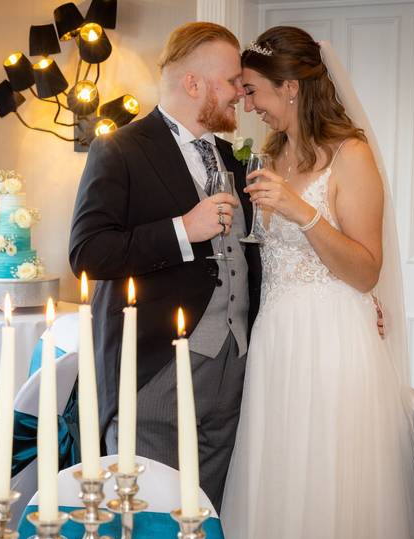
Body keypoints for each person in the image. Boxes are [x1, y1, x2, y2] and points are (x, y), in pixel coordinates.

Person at [218, 26, 414, 539]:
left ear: (291, 88)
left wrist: (303, 211)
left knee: (329, 490)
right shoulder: (269, 154)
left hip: (333, 343)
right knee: (278, 480)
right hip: (277, 341)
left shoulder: (352, 155)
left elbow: (366, 267)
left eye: (254, 89)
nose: (246, 101)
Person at [68, 22, 261, 509]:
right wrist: (182, 229)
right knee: (150, 524)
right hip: (154, 370)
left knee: (208, 521)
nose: (242, 91)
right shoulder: (119, 149)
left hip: (234, 368)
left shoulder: (234, 160)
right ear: (193, 83)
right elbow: (87, 252)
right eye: (232, 80)